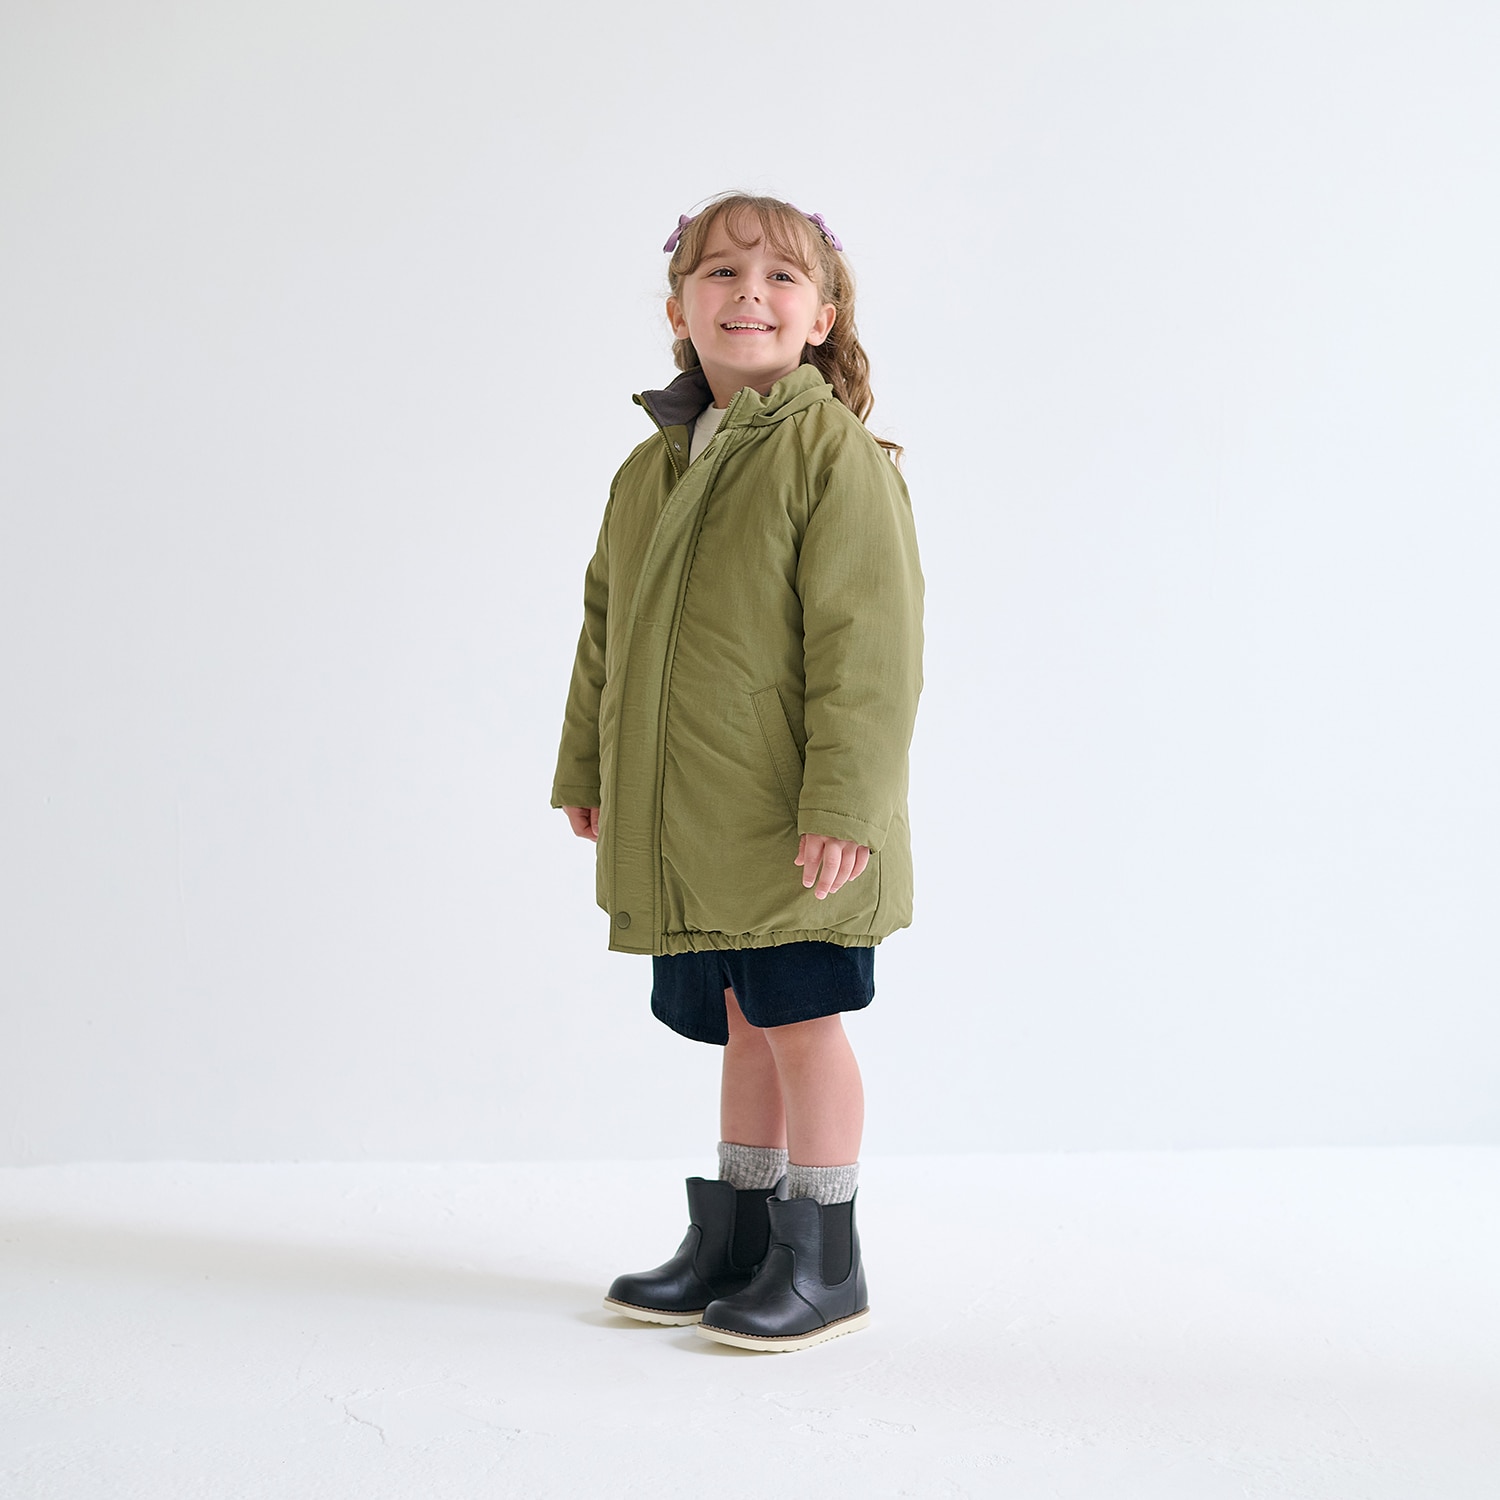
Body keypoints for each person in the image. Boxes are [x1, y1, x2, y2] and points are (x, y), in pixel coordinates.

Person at [551, 192, 923, 1352]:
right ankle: (741, 1237)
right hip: (696, 815)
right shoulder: (651, 468)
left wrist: (846, 804)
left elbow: (871, 652)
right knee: (740, 1018)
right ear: (678, 309)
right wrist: (587, 762)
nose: (748, 293)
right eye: (720, 273)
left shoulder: (832, 458)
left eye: (780, 278)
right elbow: (605, 631)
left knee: (801, 1021)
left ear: (821, 319)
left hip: (794, 817)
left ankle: (826, 1256)